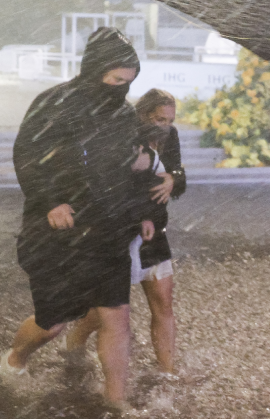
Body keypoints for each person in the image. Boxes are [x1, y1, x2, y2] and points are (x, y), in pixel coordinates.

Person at [0, 27, 157, 409]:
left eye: (128, 83)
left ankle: (116, 401)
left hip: (107, 231)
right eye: (116, 80)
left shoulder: (121, 114)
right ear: (94, 70)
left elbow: (131, 169)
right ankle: (15, 358)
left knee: (117, 316)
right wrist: (52, 201)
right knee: (52, 324)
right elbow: (26, 156)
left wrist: (146, 188)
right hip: (58, 235)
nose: (121, 89)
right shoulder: (53, 103)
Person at [67, 88, 185, 376]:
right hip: (121, 231)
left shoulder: (171, 136)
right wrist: (139, 215)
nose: (165, 126)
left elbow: (178, 174)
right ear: (142, 114)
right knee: (108, 309)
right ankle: (77, 338)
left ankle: (167, 371)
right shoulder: (123, 137)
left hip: (155, 230)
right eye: (159, 119)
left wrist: (174, 178)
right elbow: (112, 187)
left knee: (163, 301)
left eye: (170, 120)